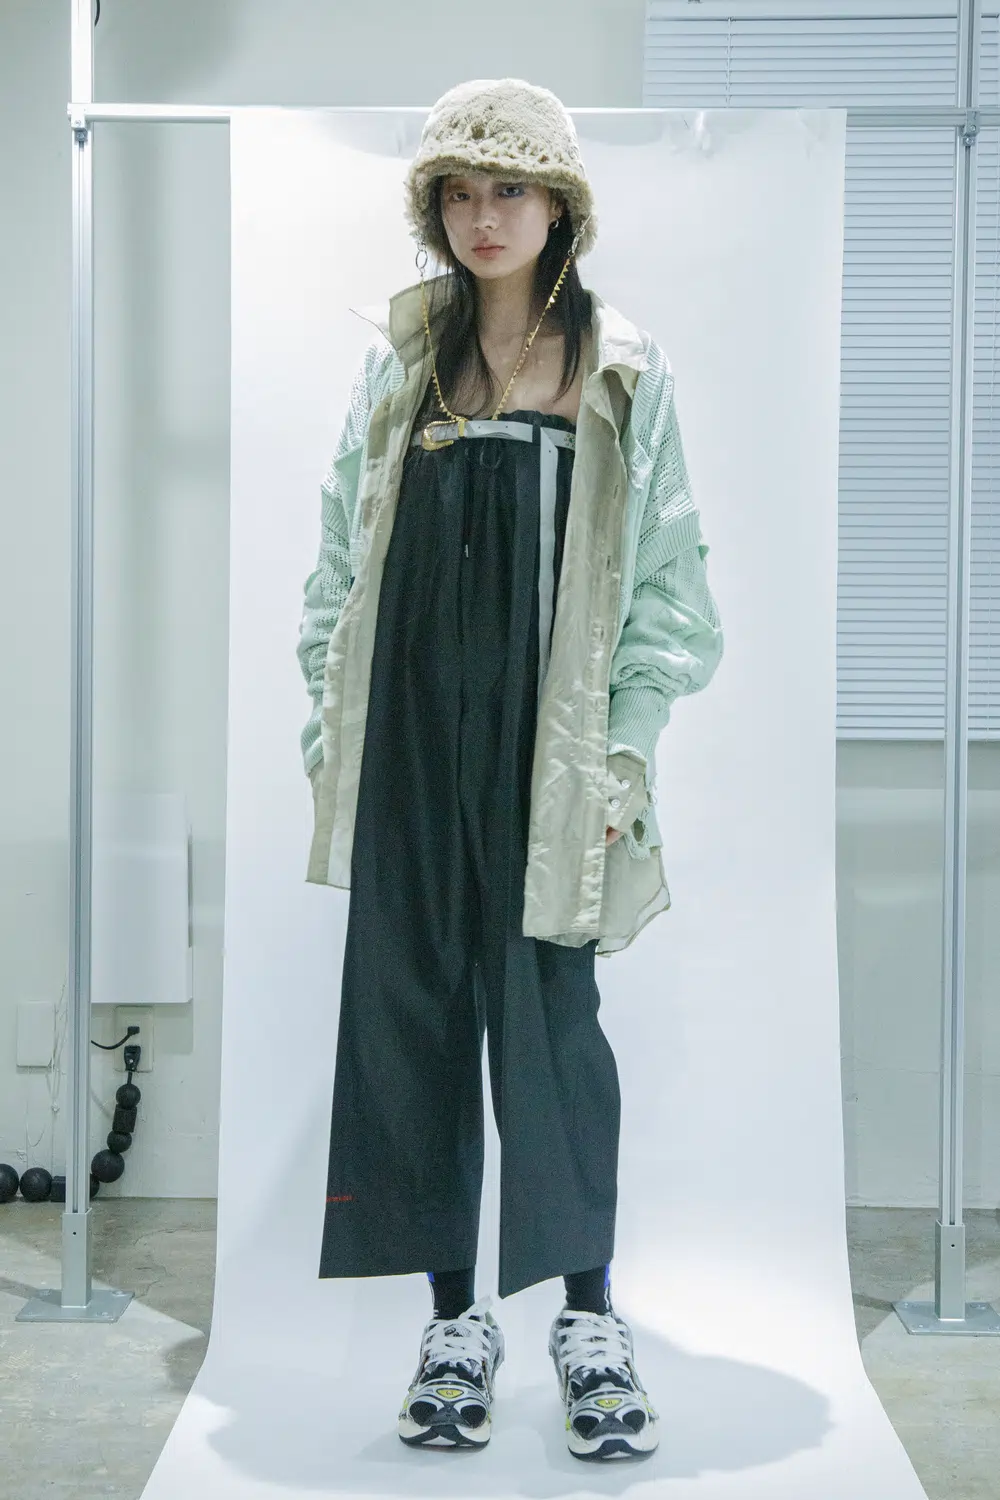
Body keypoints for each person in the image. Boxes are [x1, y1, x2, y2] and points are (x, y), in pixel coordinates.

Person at [296, 77, 724, 1463]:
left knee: (552, 1034)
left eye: (512, 190)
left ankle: (588, 1322)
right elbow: (339, 566)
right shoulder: (403, 364)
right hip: (414, 747)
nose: (486, 217)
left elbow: (667, 592)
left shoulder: (618, 367)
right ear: (435, 210)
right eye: (462, 193)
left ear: (560, 207)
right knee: (413, 1025)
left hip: (551, 758)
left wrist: (621, 760)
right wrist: (336, 734)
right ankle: (452, 1326)